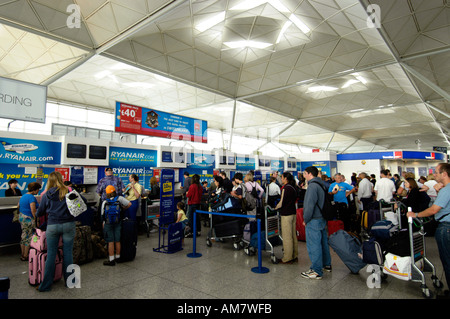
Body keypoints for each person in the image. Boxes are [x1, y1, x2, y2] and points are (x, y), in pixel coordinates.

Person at [407, 163, 450, 299]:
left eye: (436, 172)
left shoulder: (446, 189)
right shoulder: (445, 189)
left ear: (444, 174)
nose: (434, 175)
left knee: (447, 261)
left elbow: (434, 209)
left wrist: (416, 215)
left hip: (446, 228)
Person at [36, 172, 76, 292]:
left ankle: (46, 285)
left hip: (52, 225)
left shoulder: (47, 194)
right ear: (61, 179)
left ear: (50, 181)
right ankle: (70, 282)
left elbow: (40, 212)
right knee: (68, 252)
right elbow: (82, 202)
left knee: (51, 254)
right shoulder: (69, 191)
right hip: (69, 224)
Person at [301, 166, 332, 279]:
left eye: (304, 173)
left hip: (314, 220)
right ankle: (326, 264)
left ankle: (316, 270)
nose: (303, 176)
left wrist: (306, 219)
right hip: (322, 218)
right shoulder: (321, 184)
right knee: (323, 243)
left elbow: (309, 206)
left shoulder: (312, 186)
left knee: (314, 245)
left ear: (309, 174)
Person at [101, 185, 131, 266]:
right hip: (118, 222)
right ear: (114, 191)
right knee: (117, 240)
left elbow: (102, 215)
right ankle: (118, 257)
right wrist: (122, 209)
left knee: (110, 241)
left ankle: (111, 260)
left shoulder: (105, 202)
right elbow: (129, 204)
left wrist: (103, 224)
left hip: (108, 223)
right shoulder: (119, 199)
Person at [274, 172, 298, 264]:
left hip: (286, 214)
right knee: (293, 235)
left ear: (285, 179)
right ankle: (294, 255)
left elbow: (282, 202)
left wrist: (275, 208)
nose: (281, 179)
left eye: (282, 177)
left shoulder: (286, 188)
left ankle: (287, 258)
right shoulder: (293, 187)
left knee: (287, 236)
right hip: (293, 213)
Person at [18, 182, 41, 261]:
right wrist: (36, 220)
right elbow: (33, 210)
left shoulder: (23, 196)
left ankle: (22, 255)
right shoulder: (31, 197)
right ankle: (26, 255)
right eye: (38, 189)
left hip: (22, 217)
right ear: (35, 190)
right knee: (30, 236)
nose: (38, 191)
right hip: (29, 218)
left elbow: (18, 206)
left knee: (24, 235)